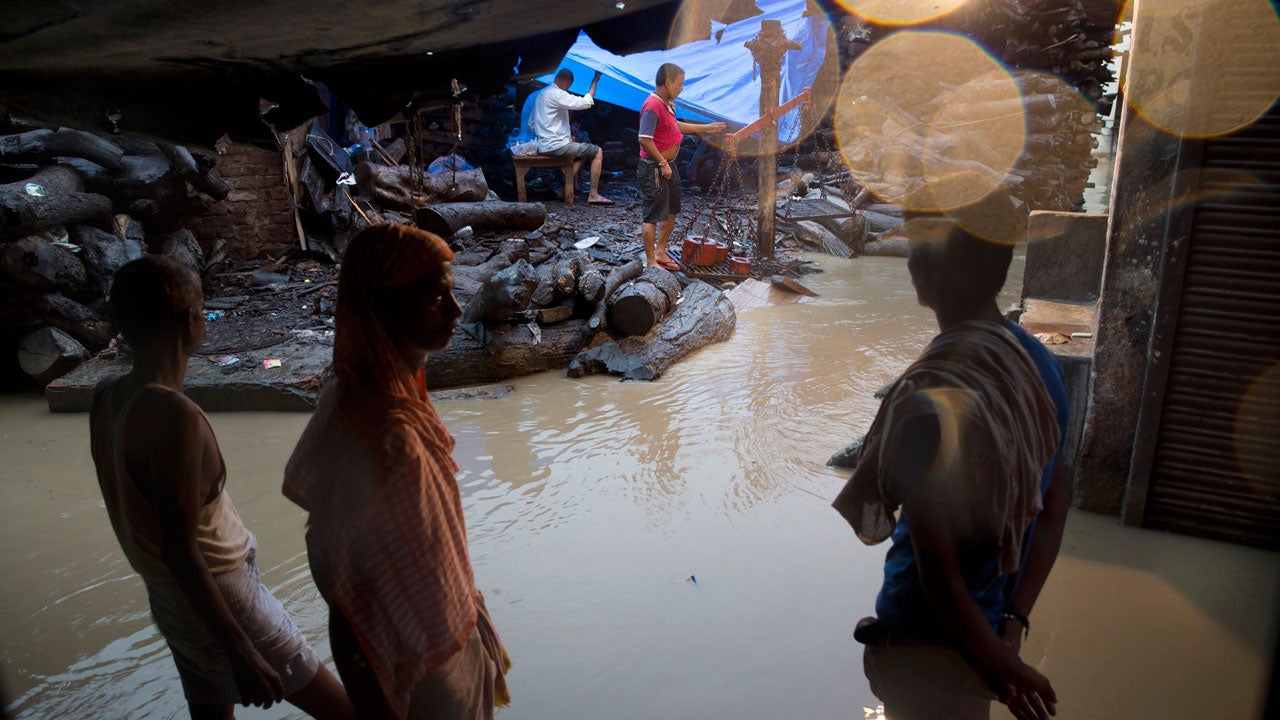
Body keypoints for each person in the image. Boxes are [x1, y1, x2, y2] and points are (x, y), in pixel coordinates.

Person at [88, 255, 354, 720]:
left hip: (168, 595)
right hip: (221, 592)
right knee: (344, 712)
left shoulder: (106, 397)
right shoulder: (176, 417)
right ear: (192, 320)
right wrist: (240, 649)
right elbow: (181, 549)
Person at [832, 214, 1067, 720]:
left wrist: (999, 664)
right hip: (988, 625)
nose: (911, 261)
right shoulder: (1039, 365)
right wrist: (1010, 626)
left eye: (917, 250)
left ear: (927, 275)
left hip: (925, 640)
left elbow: (937, 576)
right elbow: (1055, 508)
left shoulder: (926, 401)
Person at [283, 224, 511, 720]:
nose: (454, 310)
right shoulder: (387, 434)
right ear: (381, 307)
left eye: (452, 292)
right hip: (423, 675)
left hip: (439, 642)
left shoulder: (351, 394)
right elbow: (341, 582)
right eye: (435, 297)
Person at [637, 62, 726, 269]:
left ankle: (660, 251)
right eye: (680, 84)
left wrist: (703, 128)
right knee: (651, 214)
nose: (682, 88)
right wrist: (661, 162)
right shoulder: (652, 105)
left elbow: (674, 125)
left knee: (672, 209)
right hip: (654, 166)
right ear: (667, 82)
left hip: (669, 164)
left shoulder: (667, 103)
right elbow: (644, 139)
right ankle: (651, 262)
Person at [530, 68, 613, 205]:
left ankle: (564, 190)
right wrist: (595, 80)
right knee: (597, 151)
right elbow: (585, 102)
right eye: (569, 86)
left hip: (544, 144)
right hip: (555, 146)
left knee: (581, 155)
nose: (568, 88)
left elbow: (532, 124)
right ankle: (593, 194)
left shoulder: (540, 94)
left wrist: (559, 136)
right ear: (566, 81)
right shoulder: (556, 94)